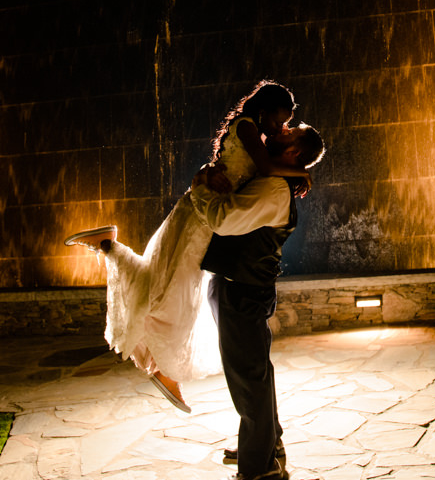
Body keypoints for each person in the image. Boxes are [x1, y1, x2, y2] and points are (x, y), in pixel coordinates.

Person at [63, 80, 312, 413]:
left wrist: (210, 172)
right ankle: (162, 367)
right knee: (171, 291)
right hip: (200, 216)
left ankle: (110, 247)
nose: (280, 127)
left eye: (285, 125)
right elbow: (263, 169)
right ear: (265, 108)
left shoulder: (259, 135)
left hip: (206, 216)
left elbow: (244, 170)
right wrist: (301, 171)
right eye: (280, 120)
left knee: (171, 289)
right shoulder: (248, 127)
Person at [194, 122, 326, 480]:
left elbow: (223, 219)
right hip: (242, 284)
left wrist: (198, 189)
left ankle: (259, 468)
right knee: (253, 374)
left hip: (243, 289)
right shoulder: (271, 178)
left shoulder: (272, 188)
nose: (281, 128)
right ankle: (265, 442)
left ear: (294, 152)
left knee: (248, 377)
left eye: (290, 130)